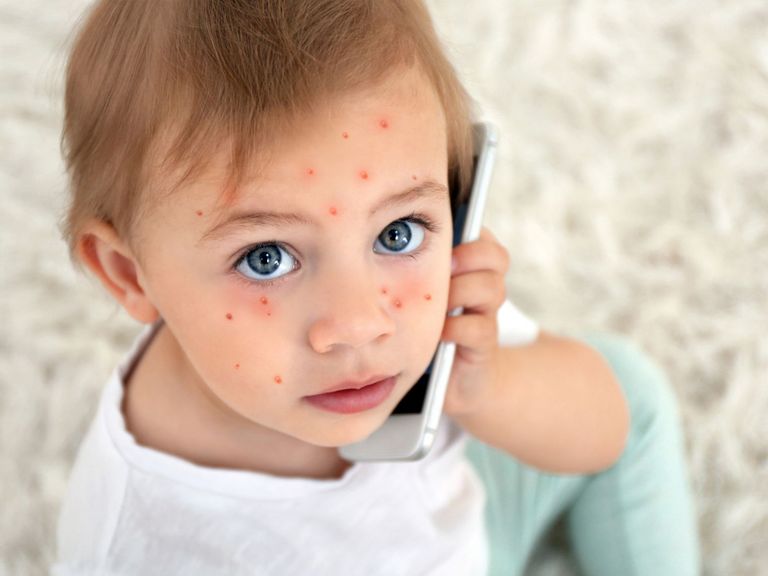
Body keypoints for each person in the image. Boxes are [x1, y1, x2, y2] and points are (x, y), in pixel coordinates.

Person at [53, 1, 700, 574]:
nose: (362, 322)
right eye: (267, 257)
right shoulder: (137, 541)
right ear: (129, 273)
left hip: (466, 538)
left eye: (396, 232)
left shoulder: (431, 306)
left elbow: (606, 433)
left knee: (625, 387)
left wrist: (487, 387)